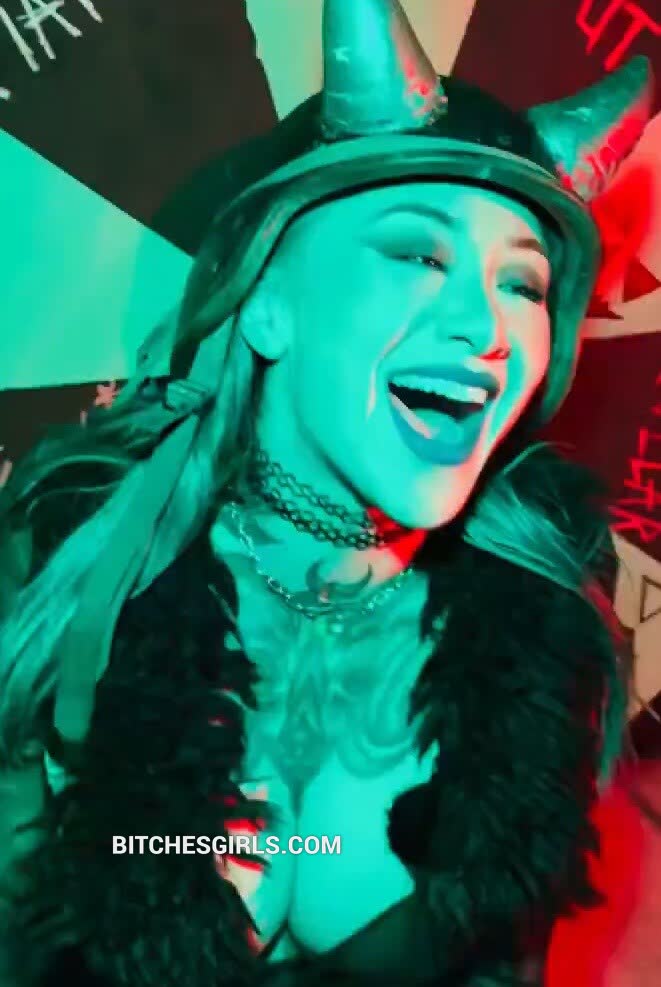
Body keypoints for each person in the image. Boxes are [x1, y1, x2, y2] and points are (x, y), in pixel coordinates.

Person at [0, 0, 654, 984]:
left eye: (521, 284)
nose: (485, 329)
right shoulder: (72, 572)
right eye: (417, 253)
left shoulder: (548, 620)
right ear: (266, 304)